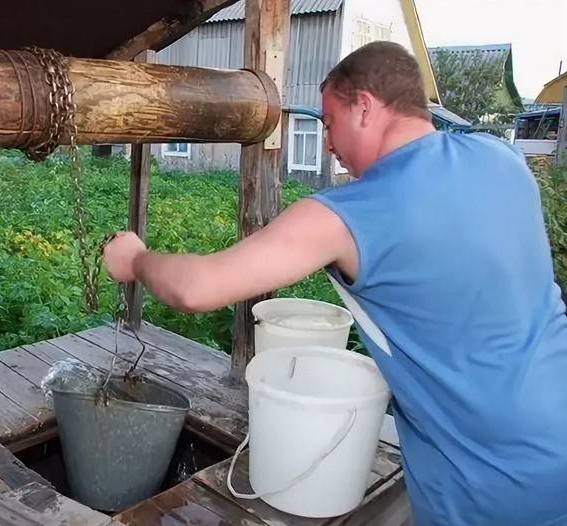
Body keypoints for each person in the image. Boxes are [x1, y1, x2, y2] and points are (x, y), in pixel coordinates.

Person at [103, 41, 567, 525]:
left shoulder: (351, 216)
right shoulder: (502, 160)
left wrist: (136, 259)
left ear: (364, 107)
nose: (326, 142)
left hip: (488, 482)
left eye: (328, 122)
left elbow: (195, 288)